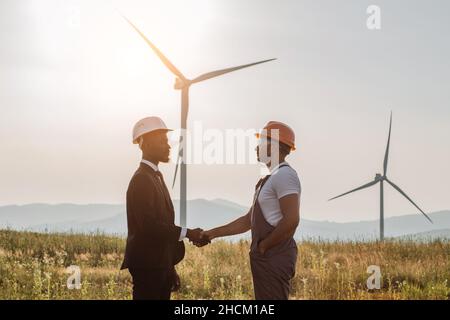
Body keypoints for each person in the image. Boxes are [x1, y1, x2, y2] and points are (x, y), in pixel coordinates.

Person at [202, 121, 301, 300]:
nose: (257, 147)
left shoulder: (285, 176)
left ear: (274, 145)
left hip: (273, 258)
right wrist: (211, 234)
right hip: (266, 259)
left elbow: (292, 220)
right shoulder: (270, 178)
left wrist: (264, 247)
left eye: (262, 142)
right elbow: (248, 220)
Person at [120, 116, 209, 300]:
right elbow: (150, 227)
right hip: (148, 267)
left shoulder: (155, 177)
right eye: (163, 141)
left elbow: (161, 227)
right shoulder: (142, 180)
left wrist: (170, 268)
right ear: (145, 144)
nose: (168, 146)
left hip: (159, 266)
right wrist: (188, 233)